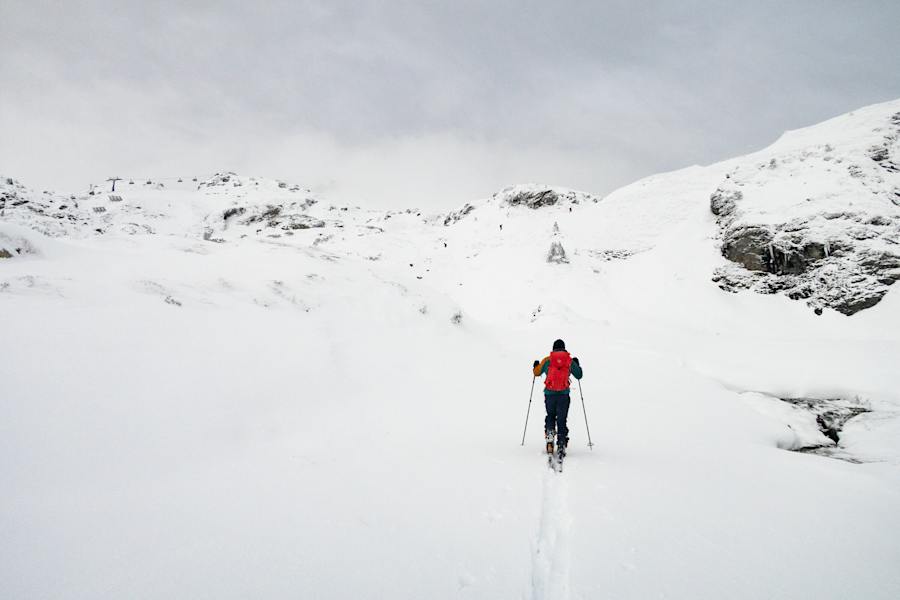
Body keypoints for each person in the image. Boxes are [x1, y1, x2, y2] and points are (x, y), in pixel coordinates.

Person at [532, 339, 582, 456]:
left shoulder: (548, 360)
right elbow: (579, 375)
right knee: (562, 418)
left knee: (550, 415)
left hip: (549, 395)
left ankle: (550, 437)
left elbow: (537, 372)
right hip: (564, 395)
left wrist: (535, 366)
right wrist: (577, 364)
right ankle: (561, 443)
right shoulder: (569, 361)